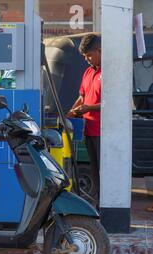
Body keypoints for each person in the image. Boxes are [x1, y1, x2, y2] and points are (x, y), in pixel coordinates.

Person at [67, 34, 102, 208]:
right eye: (85, 56)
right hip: (88, 130)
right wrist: (70, 113)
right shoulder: (88, 72)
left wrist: (89, 108)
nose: (87, 59)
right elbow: (82, 97)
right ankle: (97, 205)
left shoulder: (109, 73)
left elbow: (112, 103)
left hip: (103, 133)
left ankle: (105, 205)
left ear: (99, 51)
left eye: (89, 55)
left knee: (104, 171)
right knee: (94, 171)